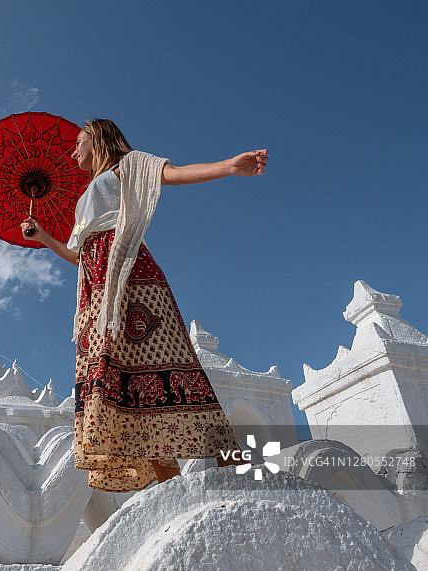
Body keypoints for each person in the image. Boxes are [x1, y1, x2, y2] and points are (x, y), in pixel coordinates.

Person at [20, 119, 268, 493]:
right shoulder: (83, 199)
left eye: (78, 142)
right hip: (95, 291)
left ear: (98, 140)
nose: (73, 151)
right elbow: (77, 254)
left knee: (169, 360)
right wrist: (43, 236)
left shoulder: (126, 166)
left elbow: (176, 174)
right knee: (127, 383)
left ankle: (236, 467)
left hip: (131, 275)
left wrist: (230, 166)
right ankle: (172, 491)